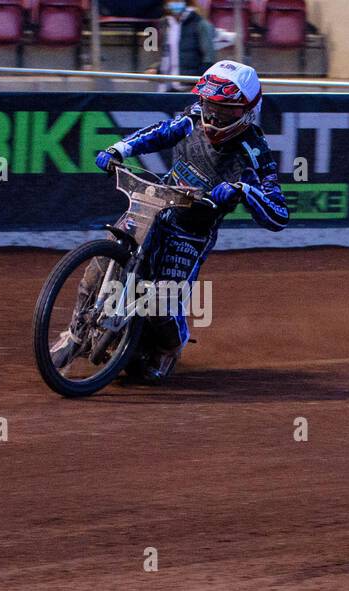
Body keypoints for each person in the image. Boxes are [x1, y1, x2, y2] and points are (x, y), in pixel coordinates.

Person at [89, 60, 289, 382]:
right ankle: (74, 333)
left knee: (160, 304)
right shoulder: (193, 117)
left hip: (191, 231)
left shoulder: (254, 149)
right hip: (157, 203)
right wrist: (119, 149)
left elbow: (279, 214)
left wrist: (242, 190)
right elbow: (162, 132)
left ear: (247, 112)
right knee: (99, 262)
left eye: (223, 113)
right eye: (209, 107)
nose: (211, 118)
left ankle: (171, 347)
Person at [160, 2, 217, 88]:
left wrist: (198, 82)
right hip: (168, 85)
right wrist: (157, 69)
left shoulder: (201, 23)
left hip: (189, 86)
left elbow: (209, 57)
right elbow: (168, 54)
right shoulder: (166, 23)